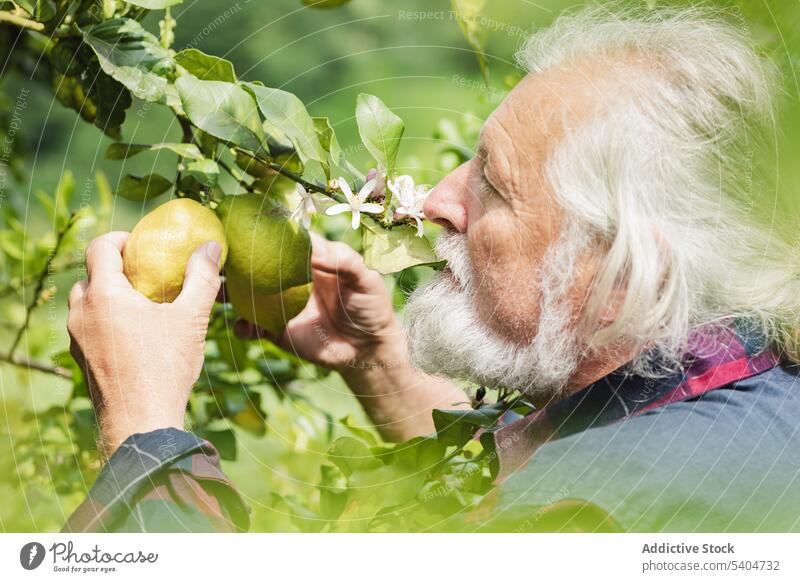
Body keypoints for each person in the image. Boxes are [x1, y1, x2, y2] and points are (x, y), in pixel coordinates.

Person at [65, 6, 800, 533]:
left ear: (619, 278)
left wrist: (142, 423)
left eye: (495, 187)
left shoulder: (604, 508)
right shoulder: (731, 384)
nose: (442, 200)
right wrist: (381, 367)